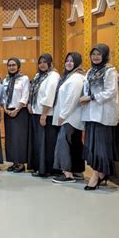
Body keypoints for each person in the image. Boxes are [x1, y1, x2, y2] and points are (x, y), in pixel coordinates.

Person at [79, 44, 119, 190]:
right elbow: (86, 89)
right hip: (90, 113)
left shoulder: (110, 71)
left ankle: (97, 175)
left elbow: (111, 92)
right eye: (93, 54)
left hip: (103, 114)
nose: (95, 57)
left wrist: (90, 98)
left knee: (101, 146)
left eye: (98, 54)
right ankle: (100, 173)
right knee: (92, 146)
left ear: (105, 55)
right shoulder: (90, 71)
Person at [51, 52, 86, 184]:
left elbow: (72, 98)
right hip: (72, 116)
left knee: (63, 143)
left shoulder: (76, 78)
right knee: (75, 143)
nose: (69, 63)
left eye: (72, 61)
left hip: (70, 117)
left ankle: (67, 174)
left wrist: (63, 115)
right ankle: (77, 171)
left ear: (77, 62)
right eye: (67, 61)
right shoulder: (70, 76)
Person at [27, 54, 60, 177]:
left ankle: (46, 169)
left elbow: (49, 96)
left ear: (50, 63)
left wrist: (44, 114)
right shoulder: (38, 75)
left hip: (46, 114)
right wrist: (30, 103)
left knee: (46, 143)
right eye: (40, 62)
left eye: (45, 62)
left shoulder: (53, 76)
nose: (42, 64)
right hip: (36, 112)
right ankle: (38, 167)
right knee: (38, 143)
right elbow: (33, 91)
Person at [2, 57, 30, 173]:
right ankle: (14, 162)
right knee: (11, 138)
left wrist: (16, 110)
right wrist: (5, 109)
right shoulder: (6, 80)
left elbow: (25, 96)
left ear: (18, 66)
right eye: (9, 65)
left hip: (20, 112)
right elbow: (3, 96)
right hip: (8, 112)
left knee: (20, 138)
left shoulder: (24, 79)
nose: (11, 67)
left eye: (14, 65)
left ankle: (21, 164)